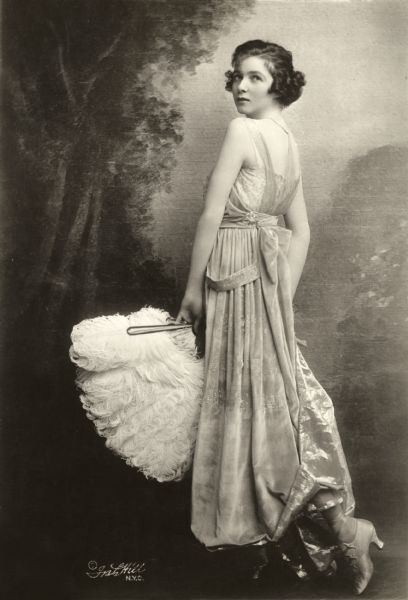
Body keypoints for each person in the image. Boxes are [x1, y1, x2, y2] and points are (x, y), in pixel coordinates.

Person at [176, 40, 383, 595]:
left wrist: (193, 290)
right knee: (267, 411)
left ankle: (338, 530)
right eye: (237, 77)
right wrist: (280, 295)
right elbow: (302, 232)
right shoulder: (290, 141)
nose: (240, 88)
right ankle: (330, 531)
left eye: (255, 78)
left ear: (279, 85)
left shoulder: (242, 132)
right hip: (260, 286)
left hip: (233, 281)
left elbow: (210, 215)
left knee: (252, 411)